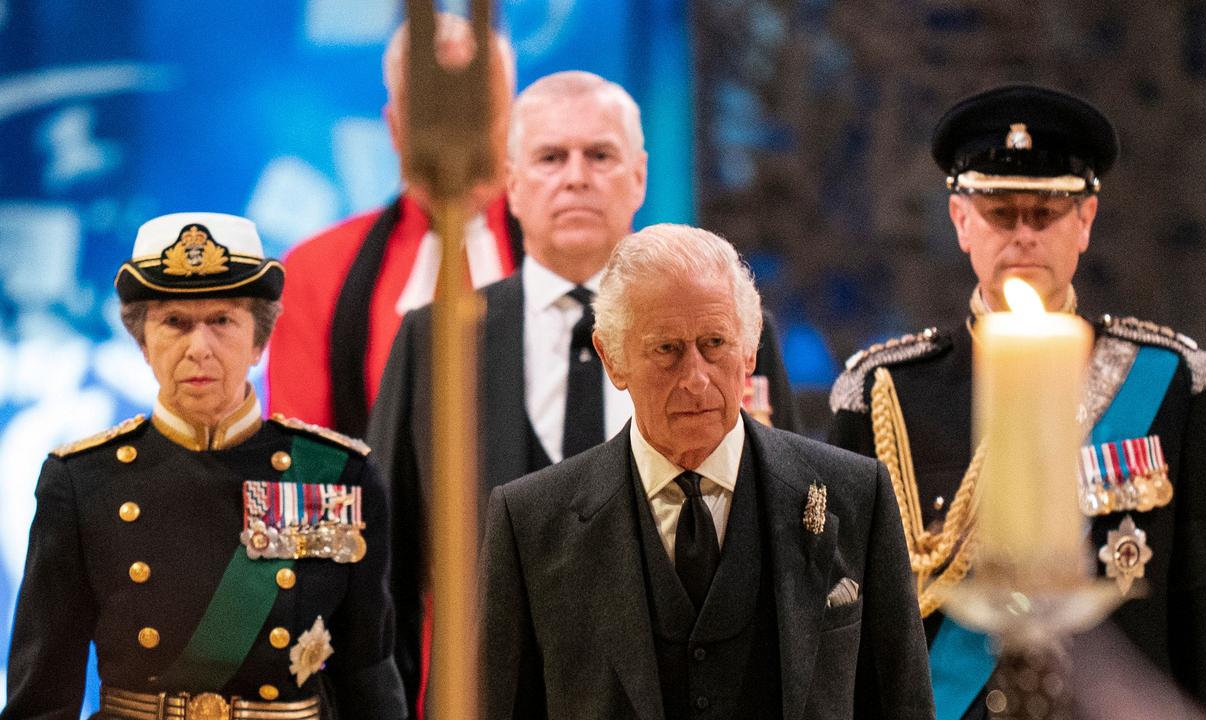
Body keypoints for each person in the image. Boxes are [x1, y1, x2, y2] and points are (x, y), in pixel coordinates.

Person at [367, 71, 796, 710]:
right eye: (550, 157)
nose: (576, 176)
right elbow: (386, 578)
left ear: (640, 177)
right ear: (511, 185)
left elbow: (785, 536)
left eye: (599, 155)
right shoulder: (435, 342)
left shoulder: (725, 333)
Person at [827, 84, 1206, 720]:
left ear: (1086, 220)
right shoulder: (882, 395)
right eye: (1000, 213)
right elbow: (847, 631)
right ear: (960, 220)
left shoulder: (1170, 383)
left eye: (1046, 212)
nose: (1023, 235)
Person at [479, 223, 933, 719]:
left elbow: (901, 705)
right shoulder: (530, 524)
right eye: (666, 349)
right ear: (612, 358)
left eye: (714, 343)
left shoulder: (855, 496)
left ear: (750, 348)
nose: (696, 378)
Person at [2, 213, 405, 719]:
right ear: (142, 344)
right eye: (175, 323)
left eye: (222, 321)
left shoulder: (336, 475)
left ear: (259, 341)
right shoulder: (83, 482)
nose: (199, 347)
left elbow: (367, 675)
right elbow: (42, 694)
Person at [267, 16, 520, 438]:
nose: (454, 132)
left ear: (511, 119)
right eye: (432, 110)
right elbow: (303, 468)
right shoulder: (315, 272)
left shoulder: (579, 259)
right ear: (394, 126)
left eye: (475, 107)